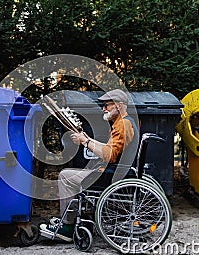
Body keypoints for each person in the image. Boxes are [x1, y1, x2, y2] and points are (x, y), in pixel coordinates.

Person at [39, 89, 139, 242]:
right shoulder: (125, 122)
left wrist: (85, 142)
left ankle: (67, 227)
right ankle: (73, 220)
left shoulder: (123, 124)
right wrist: (86, 139)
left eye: (107, 105)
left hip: (112, 176)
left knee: (65, 176)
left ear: (119, 106)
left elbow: (109, 155)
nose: (103, 108)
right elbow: (108, 148)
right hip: (117, 172)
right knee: (72, 173)